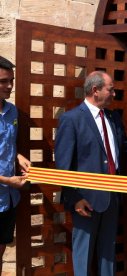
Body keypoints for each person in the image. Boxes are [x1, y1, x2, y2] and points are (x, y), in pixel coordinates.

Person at [55, 71, 127, 275]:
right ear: (95, 90)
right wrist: (75, 198)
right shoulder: (72, 119)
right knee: (83, 254)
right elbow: (63, 166)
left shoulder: (112, 117)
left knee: (108, 252)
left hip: (111, 198)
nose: (114, 94)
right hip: (85, 202)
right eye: (110, 90)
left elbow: (126, 147)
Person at [0, 56, 31, 272]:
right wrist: (6, 180)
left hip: (8, 200)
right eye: (3, 81)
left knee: (1, 248)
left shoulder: (12, 111)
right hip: (6, 188)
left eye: (11, 80)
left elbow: (6, 145)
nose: (9, 85)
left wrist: (18, 156)